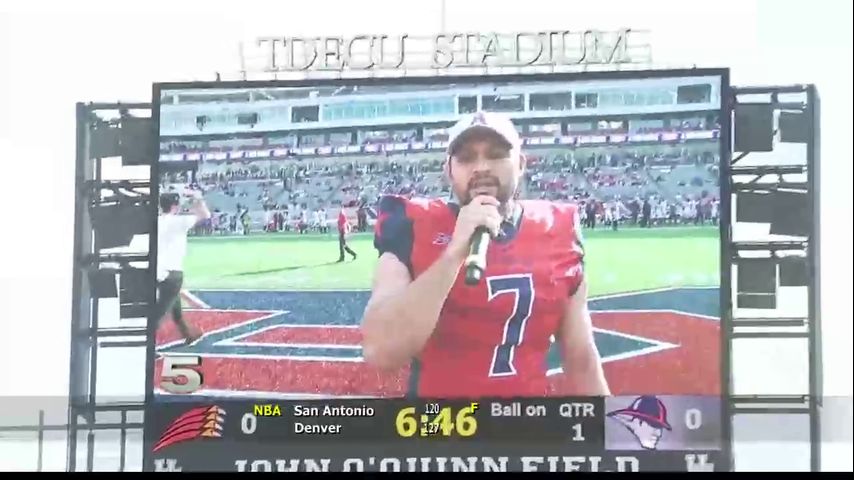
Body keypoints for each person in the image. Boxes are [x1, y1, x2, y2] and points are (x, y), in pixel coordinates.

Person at [361, 111, 610, 398]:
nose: (481, 167)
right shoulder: (413, 224)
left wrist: (618, 434)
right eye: (466, 158)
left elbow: (581, 360)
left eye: (495, 154)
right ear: (449, 171)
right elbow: (380, 351)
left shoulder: (559, 228)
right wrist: (454, 253)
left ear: (521, 164)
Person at [155, 190, 210, 344]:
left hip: (155, 270)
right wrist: (197, 197)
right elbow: (205, 215)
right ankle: (148, 346)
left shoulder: (156, 221)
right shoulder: (179, 222)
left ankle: (189, 334)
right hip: (172, 273)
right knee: (160, 311)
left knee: (174, 303)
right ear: (175, 206)